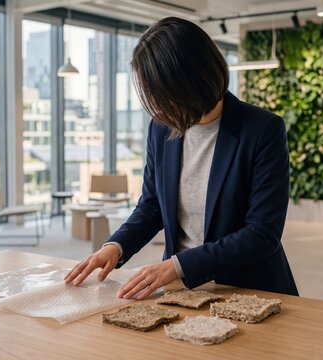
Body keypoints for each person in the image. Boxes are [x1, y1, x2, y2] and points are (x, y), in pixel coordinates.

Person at [64, 16, 298, 300]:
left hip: (247, 288)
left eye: (164, 94)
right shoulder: (161, 128)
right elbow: (152, 207)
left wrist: (177, 265)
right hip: (181, 289)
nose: (159, 106)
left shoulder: (262, 130)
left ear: (191, 82)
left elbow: (261, 235)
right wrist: (116, 246)